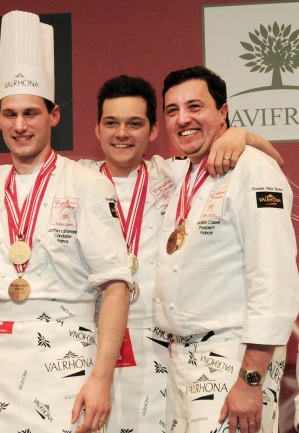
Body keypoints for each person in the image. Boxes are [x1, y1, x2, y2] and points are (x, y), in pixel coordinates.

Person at [77, 74, 284, 433]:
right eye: (111, 123)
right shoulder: (77, 178)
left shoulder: (171, 171)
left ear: (153, 131)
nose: (122, 133)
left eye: (135, 123)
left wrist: (240, 134)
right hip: (107, 343)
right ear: (96, 129)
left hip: (177, 347)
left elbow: (272, 161)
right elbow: (10, 174)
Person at [0, 11, 132, 433]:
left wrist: (102, 380)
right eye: (10, 114)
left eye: (31, 113)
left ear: (53, 116)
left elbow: (115, 286)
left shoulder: (89, 185)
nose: (20, 126)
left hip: (69, 366)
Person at [154, 65, 299, 433]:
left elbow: (274, 278)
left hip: (234, 358)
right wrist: (242, 134)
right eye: (172, 110)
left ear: (222, 112)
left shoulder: (254, 170)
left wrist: (250, 380)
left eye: (194, 107)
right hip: (184, 361)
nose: (183, 119)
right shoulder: (182, 172)